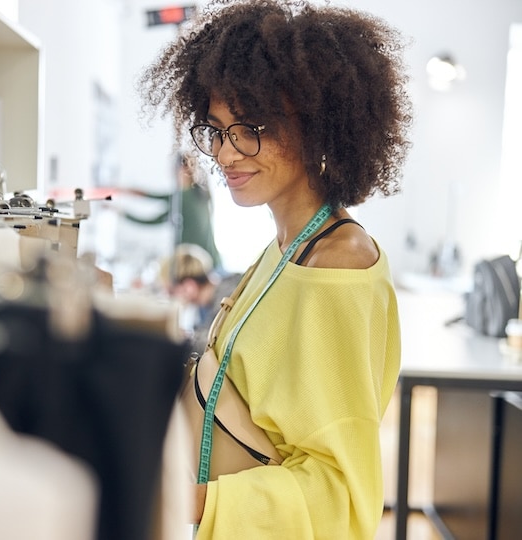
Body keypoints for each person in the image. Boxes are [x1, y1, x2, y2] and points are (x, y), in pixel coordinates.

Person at [138, 0, 412, 538]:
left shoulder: (338, 267)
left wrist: (191, 501)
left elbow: (339, 491)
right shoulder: (286, 248)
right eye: (216, 129)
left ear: (319, 128)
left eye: (251, 127)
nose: (227, 152)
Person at [119, 153, 223, 269]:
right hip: (209, 261)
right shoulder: (199, 195)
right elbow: (152, 198)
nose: (173, 174)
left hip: (199, 265)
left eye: (175, 170)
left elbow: (153, 218)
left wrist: (120, 211)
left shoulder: (183, 198)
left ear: (184, 171)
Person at [159, 243, 242, 352]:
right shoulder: (214, 299)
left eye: (171, 292)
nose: (170, 297)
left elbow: (214, 344)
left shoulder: (228, 299)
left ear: (189, 287)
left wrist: (183, 338)